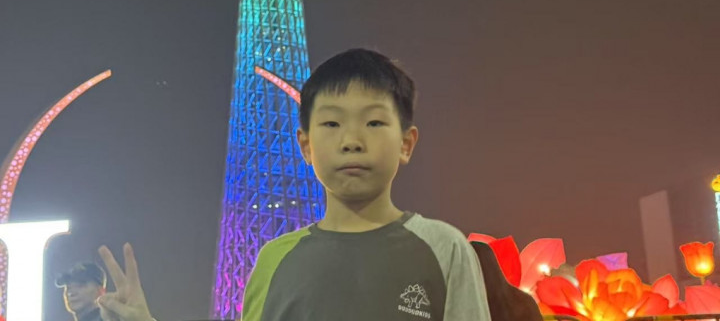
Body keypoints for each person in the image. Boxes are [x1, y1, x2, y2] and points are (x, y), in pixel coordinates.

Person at [97, 49, 493, 321]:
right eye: (331, 123)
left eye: (374, 122)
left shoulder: (443, 248)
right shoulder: (275, 260)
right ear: (305, 145)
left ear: (406, 143)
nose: (351, 140)